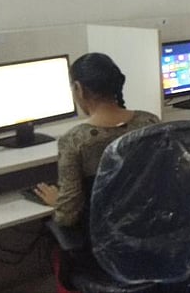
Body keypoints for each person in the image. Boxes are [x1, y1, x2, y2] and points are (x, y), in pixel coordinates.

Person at [33, 52, 160, 226]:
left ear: (78, 88)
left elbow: (68, 216)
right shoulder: (149, 121)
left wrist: (57, 201)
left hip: (110, 242)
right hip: (155, 229)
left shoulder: (75, 140)